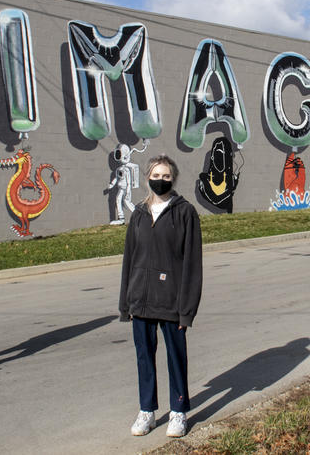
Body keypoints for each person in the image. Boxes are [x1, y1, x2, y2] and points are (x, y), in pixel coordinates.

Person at [118, 154, 203, 438]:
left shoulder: (185, 212)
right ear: (147, 178)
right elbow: (129, 259)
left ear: (173, 178)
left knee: (176, 357)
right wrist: (125, 303)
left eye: (166, 176)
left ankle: (178, 412)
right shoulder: (139, 214)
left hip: (171, 302)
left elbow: (192, 264)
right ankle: (147, 411)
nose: (161, 180)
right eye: (156, 175)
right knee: (145, 357)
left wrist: (186, 310)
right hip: (140, 300)